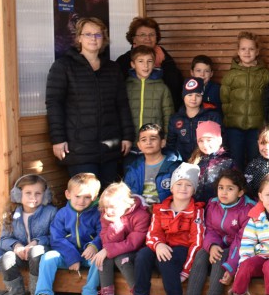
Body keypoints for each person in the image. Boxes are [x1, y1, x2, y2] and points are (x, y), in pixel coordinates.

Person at [46, 17, 133, 187]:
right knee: (85, 199)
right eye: (88, 34)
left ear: (104, 38)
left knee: (108, 200)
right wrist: (57, 139)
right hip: (79, 148)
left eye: (98, 35)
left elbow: (122, 104)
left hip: (110, 147)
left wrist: (127, 136)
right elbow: (54, 103)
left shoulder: (112, 68)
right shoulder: (63, 66)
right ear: (79, 38)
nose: (93, 38)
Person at [127, 163, 205, 295]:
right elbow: (152, 234)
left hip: (181, 251)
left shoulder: (196, 211)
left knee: (166, 257)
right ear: (171, 187)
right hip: (161, 247)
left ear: (194, 189)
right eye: (179, 184)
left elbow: (197, 242)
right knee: (142, 255)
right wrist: (158, 245)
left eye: (188, 185)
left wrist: (186, 271)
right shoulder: (160, 209)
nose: (183, 188)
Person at [179, 169, 253, 295]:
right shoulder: (213, 204)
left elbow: (242, 241)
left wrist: (231, 267)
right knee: (201, 253)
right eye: (221, 187)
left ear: (240, 192)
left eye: (230, 188)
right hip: (220, 245)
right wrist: (211, 245)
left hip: (241, 251)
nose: (224, 192)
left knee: (221, 255)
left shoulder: (248, 209)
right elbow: (210, 230)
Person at [0, 175, 56, 295]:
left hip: (40, 254)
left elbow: (53, 236)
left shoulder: (51, 212)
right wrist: (16, 246)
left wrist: (37, 242)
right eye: (28, 193)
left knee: (36, 251)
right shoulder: (12, 214)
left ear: (45, 195)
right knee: (6, 258)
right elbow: (4, 239)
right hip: (20, 253)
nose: (33, 197)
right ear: (18, 195)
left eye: (38, 193)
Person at [28, 173, 103, 295]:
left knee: (100, 261)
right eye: (78, 196)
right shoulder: (62, 214)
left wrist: (94, 246)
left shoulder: (97, 214)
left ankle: (89, 294)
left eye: (87, 197)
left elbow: (104, 233)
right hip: (67, 256)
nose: (81, 201)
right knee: (48, 256)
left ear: (94, 197)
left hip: (89, 255)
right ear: (68, 194)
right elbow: (56, 238)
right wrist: (71, 257)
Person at [93, 182, 149, 295]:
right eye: (105, 207)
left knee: (121, 258)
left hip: (139, 250)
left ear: (126, 204)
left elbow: (133, 243)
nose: (108, 211)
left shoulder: (141, 215)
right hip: (119, 247)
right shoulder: (107, 216)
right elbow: (106, 240)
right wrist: (114, 223)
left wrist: (118, 223)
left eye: (112, 207)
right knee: (104, 258)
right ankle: (107, 294)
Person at [220, 31, 269, 167]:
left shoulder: (265, 74)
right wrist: (228, 121)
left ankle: (254, 188)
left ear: (257, 51)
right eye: (243, 49)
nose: (247, 52)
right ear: (238, 51)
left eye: (251, 49)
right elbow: (224, 101)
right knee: (236, 161)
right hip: (234, 128)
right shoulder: (230, 75)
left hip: (257, 127)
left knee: (255, 162)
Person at [114, 16, 184, 107]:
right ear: (134, 39)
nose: (148, 38)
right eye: (143, 35)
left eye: (151, 34)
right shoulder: (123, 61)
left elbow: (176, 90)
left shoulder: (166, 59)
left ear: (156, 38)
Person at [123, 123, 182, 205]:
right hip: (140, 213)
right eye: (144, 140)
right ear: (139, 145)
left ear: (162, 143)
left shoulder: (175, 167)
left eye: (153, 139)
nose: (148, 142)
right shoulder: (133, 169)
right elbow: (126, 195)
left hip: (165, 213)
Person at [167, 77, 222, 161]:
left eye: (198, 95)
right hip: (182, 163)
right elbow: (171, 145)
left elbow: (221, 142)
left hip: (206, 163)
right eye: (189, 95)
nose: (193, 99)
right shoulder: (175, 119)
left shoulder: (212, 116)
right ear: (183, 96)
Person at [125, 45, 174, 133]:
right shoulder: (126, 86)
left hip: (154, 140)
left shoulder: (162, 88)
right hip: (131, 141)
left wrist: (166, 137)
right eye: (141, 61)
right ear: (133, 64)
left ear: (154, 63)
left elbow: (168, 115)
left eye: (149, 61)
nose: (146, 65)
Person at [191, 121, 237, 204]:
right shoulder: (195, 160)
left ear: (219, 140)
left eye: (209, 140)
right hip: (197, 206)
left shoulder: (227, 163)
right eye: (201, 141)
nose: (205, 144)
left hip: (217, 207)